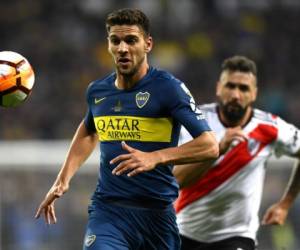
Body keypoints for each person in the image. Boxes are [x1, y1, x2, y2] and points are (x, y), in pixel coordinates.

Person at [35, 8, 219, 250]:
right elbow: (90, 130)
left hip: (157, 216)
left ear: (148, 44)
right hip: (109, 212)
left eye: (131, 40)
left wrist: (155, 157)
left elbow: (210, 145)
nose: (122, 48)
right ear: (109, 45)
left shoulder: (168, 88)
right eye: (115, 40)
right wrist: (62, 180)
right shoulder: (98, 92)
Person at [173, 55, 300, 250]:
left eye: (243, 88)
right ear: (218, 88)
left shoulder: (270, 127)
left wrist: (285, 203)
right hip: (183, 232)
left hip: (237, 236)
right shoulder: (194, 123)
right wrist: (217, 149)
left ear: (254, 93)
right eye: (230, 86)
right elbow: (177, 181)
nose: (236, 94)